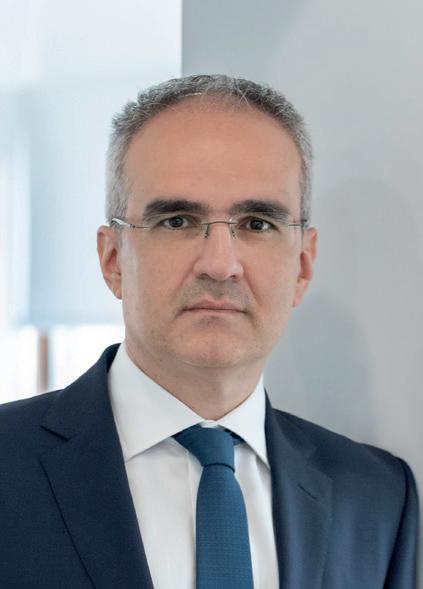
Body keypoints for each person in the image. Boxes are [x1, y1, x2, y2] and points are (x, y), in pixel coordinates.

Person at [0, 75, 418, 588]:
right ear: (113, 260)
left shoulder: (378, 498)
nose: (220, 265)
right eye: (177, 221)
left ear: (303, 266)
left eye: (257, 223)